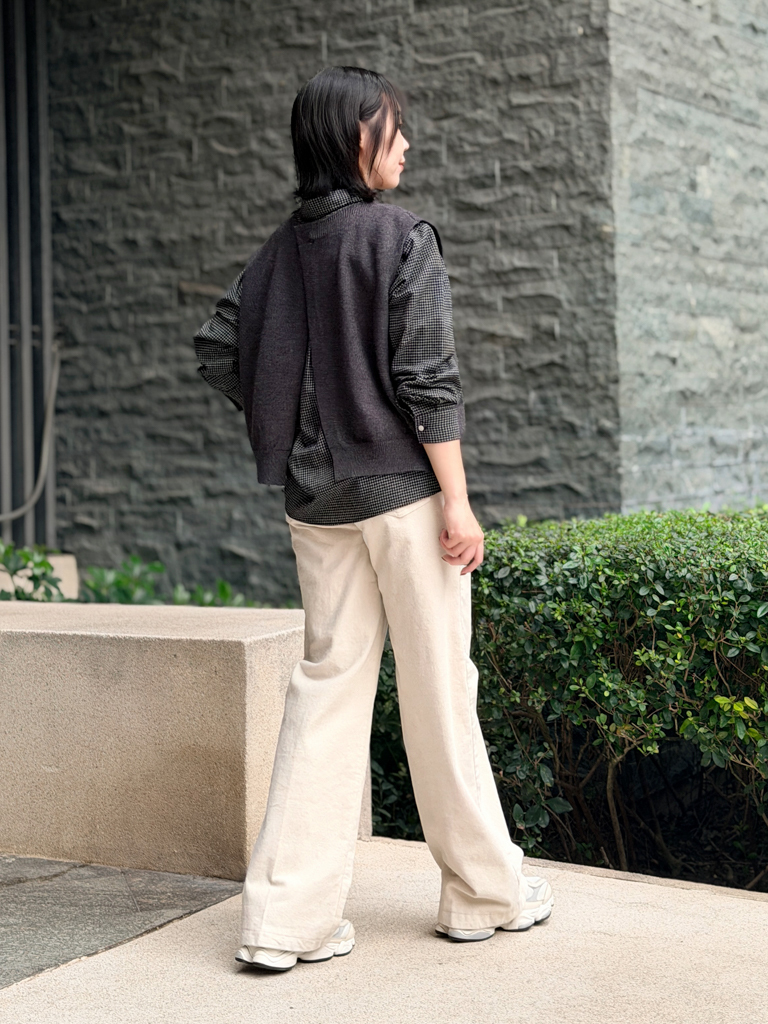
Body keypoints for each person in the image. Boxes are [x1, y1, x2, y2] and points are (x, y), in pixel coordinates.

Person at [193, 65, 553, 973]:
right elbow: (429, 382)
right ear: (357, 138)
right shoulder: (402, 237)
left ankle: (283, 923)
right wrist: (459, 504)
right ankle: (481, 895)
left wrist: (292, 428)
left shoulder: (277, 252)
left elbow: (218, 348)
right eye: (394, 129)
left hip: (317, 505)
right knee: (439, 688)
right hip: (403, 497)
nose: (407, 144)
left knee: (325, 693)